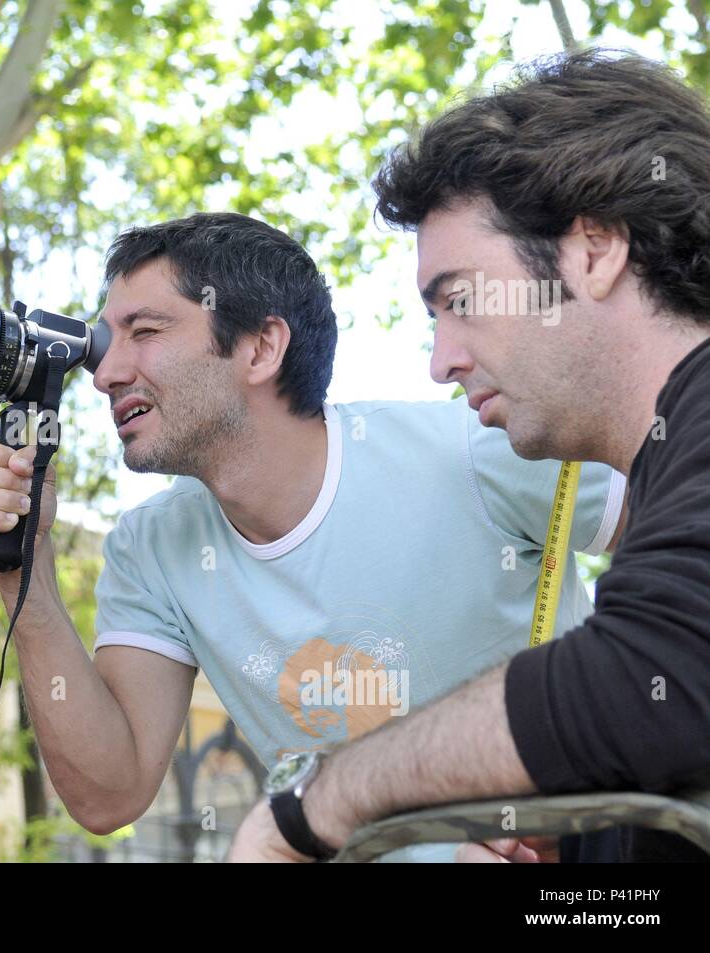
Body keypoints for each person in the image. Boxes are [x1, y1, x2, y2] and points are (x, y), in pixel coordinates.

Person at [0, 211, 624, 859]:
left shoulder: (479, 453)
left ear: (262, 346)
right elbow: (108, 794)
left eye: (144, 331)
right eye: (104, 339)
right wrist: (23, 573)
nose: (104, 372)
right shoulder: (150, 548)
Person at [227, 50, 710, 864]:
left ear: (594, 250)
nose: (441, 360)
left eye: (460, 300)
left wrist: (317, 804)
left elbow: (653, 673)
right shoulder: (668, 483)